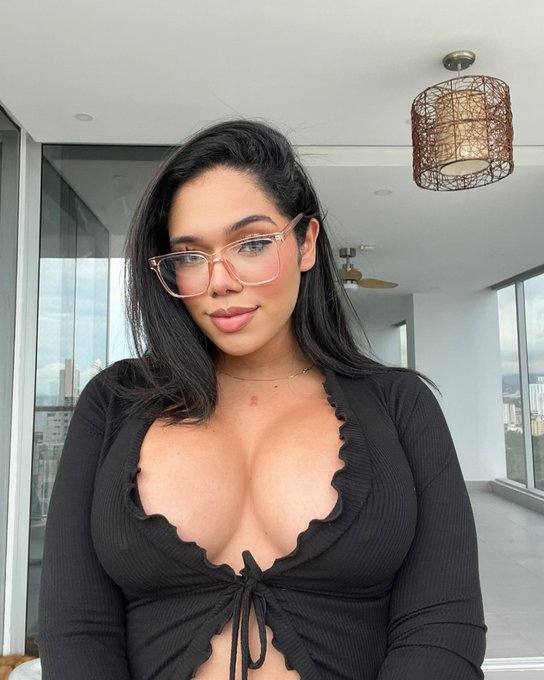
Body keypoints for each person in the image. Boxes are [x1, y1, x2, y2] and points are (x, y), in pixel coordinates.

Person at [36, 119, 487, 680]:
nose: (219, 281)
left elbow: (442, 628)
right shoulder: (114, 401)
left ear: (306, 243)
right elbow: (77, 631)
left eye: (251, 244)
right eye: (190, 256)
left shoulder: (401, 405)